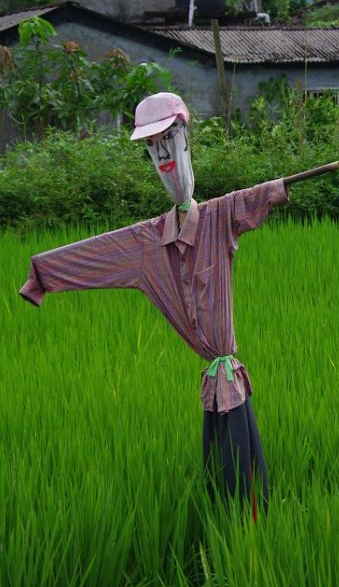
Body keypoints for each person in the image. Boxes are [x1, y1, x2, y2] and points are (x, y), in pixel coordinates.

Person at [19, 92, 286, 519]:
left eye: (169, 140)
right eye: (152, 146)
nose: (163, 154)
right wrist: (44, 275)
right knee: (220, 479)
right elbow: (97, 252)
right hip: (213, 379)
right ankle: (230, 525)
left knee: (242, 478)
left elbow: (253, 198)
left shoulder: (219, 218)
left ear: (185, 139)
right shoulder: (147, 242)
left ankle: (252, 529)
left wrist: (276, 190)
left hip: (228, 377)